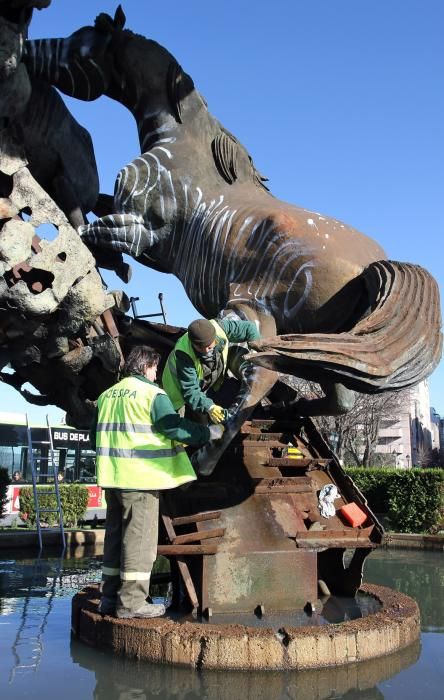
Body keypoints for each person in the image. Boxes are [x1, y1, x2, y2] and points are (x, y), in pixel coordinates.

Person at [91, 345, 223, 620]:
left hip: (113, 480)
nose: (156, 375)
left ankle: (109, 599)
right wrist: (208, 432)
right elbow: (173, 426)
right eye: (154, 369)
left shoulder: (106, 396)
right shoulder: (152, 395)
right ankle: (132, 605)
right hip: (140, 480)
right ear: (145, 367)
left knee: (115, 540)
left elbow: (96, 437)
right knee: (139, 544)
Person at [162, 317, 260, 424]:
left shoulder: (221, 328)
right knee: (186, 427)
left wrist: (255, 354)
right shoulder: (184, 354)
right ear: (192, 343)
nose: (205, 351)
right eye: (200, 347)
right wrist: (210, 407)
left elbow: (250, 328)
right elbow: (191, 391)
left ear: (215, 338)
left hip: (207, 383)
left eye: (208, 347)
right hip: (178, 392)